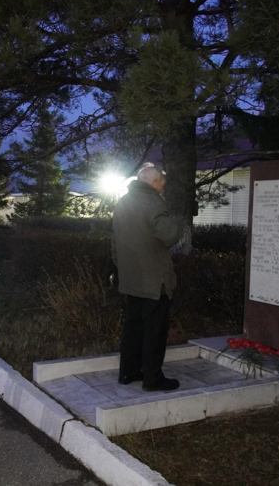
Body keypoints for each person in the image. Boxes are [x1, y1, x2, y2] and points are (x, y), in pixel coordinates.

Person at [111, 164, 181, 392]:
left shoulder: (123, 202)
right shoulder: (154, 203)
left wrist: (123, 269)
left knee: (133, 326)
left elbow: (114, 242)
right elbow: (169, 236)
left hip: (131, 278)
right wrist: (177, 222)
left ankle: (128, 373)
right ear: (153, 182)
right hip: (154, 281)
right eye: (162, 182)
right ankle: (153, 379)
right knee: (154, 330)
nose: (163, 186)